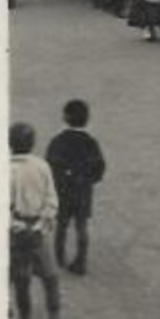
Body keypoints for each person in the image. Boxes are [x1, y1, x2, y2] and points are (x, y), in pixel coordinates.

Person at [9, 122, 80, 319]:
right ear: (32, 143)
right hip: (39, 231)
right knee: (50, 280)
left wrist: (15, 225)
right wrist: (41, 223)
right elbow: (51, 200)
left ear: (10, 144)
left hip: (16, 234)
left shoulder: (3, 169)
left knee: (21, 283)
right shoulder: (41, 166)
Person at [46, 100, 106, 275]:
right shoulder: (91, 142)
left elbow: (51, 164)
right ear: (87, 119)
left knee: (62, 224)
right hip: (82, 191)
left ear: (65, 117)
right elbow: (99, 166)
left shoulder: (58, 141)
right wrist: (89, 180)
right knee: (81, 225)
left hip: (63, 191)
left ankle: (59, 257)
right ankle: (81, 260)